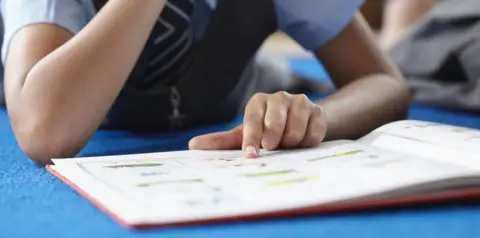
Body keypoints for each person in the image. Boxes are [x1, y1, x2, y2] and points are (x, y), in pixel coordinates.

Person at [0, 0, 410, 165]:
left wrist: (317, 118)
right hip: (37, 73)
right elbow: (44, 131)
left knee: (278, 77)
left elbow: (383, 80)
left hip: (236, 83)